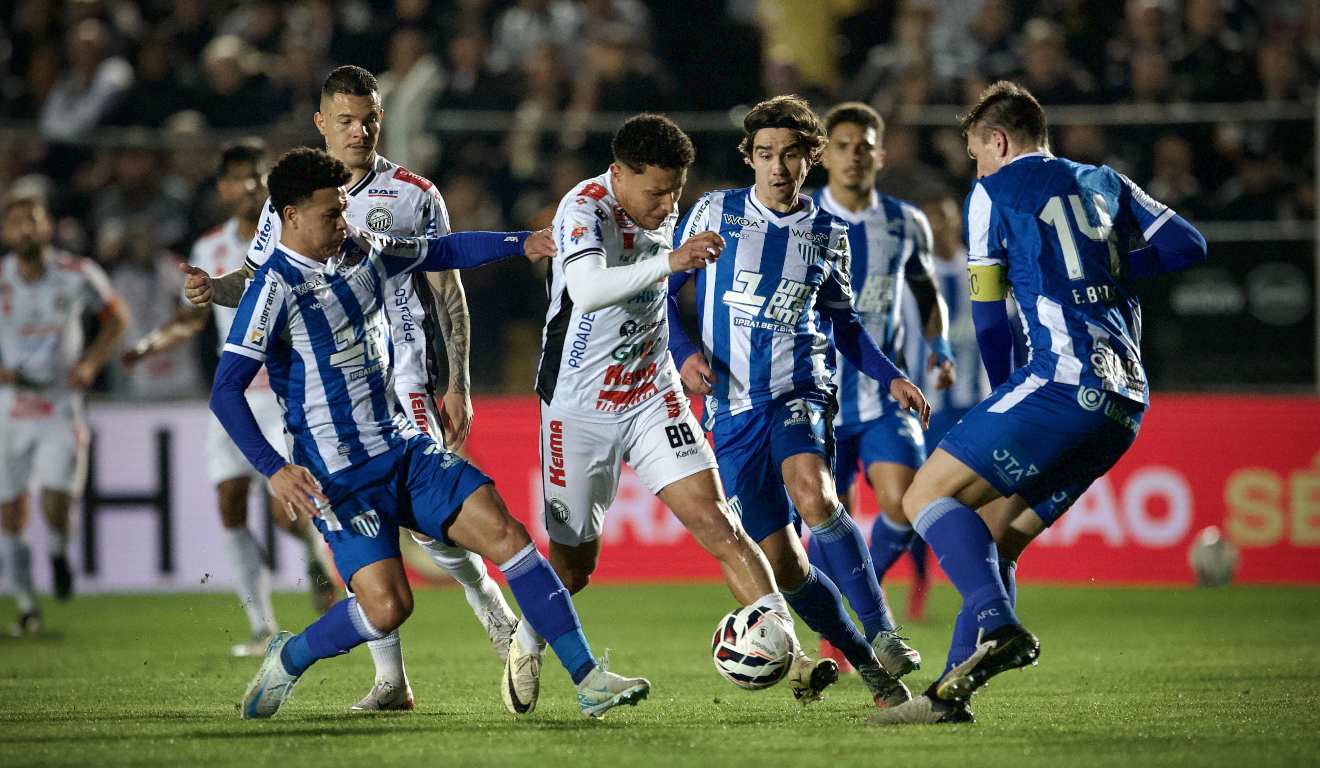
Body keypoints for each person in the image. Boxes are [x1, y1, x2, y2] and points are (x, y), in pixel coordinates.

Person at [216, 147, 650, 720]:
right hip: (339, 476)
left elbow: (437, 250)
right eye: (329, 215)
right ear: (290, 216)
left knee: (508, 533)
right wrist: (274, 468)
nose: (342, 224)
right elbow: (226, 391)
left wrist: (521, 243)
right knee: (389, 607)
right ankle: (290, 656)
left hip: (403, 450)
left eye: (344, 210)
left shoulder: (361, 250)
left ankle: (588, 678)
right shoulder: (272, 291)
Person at [872, 81, 1207, 725]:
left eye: (976, 153)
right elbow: (1188, 243)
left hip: (1058, 381)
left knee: (923, 497)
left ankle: (998, 626)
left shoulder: (990, 194)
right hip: (1125, 401)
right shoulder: (1104, 180)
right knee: (996, 541)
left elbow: (989, 314)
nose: (976, 165)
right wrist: (1112, 269)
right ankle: (949, 695)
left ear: (997, 141)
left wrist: (1003, 390)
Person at [184, 65, 516, 712]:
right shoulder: (296, 197)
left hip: (408, 381)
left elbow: (448, 288)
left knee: (432, 529)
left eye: (369, 118)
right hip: (333, 398)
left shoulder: (415, 192)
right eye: (345, 120)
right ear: (321, 123)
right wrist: (212, 289)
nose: (359, 130)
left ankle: (496, 616)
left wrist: (459, 384)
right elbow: (256, 280)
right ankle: (392, 679)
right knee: (373, 540)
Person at [508, 113, 818, 714]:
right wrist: (672, 262)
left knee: (720, 525)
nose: (667, 205)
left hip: (653, 393)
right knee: (574, 567)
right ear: (618, 174)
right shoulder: (584, 210)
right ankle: (528, 636)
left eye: (676, 192)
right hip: (578, 408)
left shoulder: (665, 202)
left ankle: (793, 652)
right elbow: (589, 290)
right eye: (655, 192)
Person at [667, 95, 931, 709]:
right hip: (732, 410)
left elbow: (843, 323)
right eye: (764, 155)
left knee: (815, 495)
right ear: (750, 158)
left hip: (800, 389)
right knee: (783, 566)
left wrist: (889, 374)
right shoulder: (715, 212)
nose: (777, 167)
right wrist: (683, 354)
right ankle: (870, 668)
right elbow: (664, 293)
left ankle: (885, 631)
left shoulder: (827, 234)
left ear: (810, 158)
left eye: (789, 154)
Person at [122, 140, 336, 655]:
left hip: (281, 392)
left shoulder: (291, 239)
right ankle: (262, 627)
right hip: (234, 391)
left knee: (287, 504)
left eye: (256, 177)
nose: (247, 186)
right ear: (221, 188)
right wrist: (152, 343)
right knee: (229, 503)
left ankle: (314, 556)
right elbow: (193, 314)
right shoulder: (208, 249)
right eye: (237, 178)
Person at [807, 102, 954, 668]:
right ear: (825, 155)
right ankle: (848, 621)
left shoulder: (904, 222)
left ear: (880, 154)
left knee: (907, 501)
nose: (853, 155)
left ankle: (859, 595)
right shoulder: (801, 220)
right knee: (823, 519)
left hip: (883, 395)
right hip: (816, 397)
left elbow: (926, 294)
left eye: (863, 145)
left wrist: (938, 347)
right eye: (841, 145)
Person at [0, 190, 129, 632]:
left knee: (56, 501)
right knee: (9, 510)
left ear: (47, 226)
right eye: (16, 221)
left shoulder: (77, 273)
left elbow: (117, 317)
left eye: (33, 219)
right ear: (5, 232)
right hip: (10, 407)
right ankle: (26, 606)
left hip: (59, 404)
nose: (25, 229)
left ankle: (56, 550)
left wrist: (91, 362)